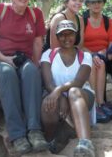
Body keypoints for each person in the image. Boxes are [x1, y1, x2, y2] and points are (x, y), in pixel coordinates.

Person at [0, 0, 48, 155]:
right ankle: (17, 135)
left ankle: (34, 131)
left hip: (22, 59)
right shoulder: (0, 10)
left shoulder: (36, 14)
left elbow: (37, 42)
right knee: (7, 73)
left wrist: (35, 65)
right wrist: (4, 58)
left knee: (32, 71)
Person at [41, 20, 96, 157]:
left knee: (73, 91)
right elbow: (48, 83)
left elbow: (78, 82)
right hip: (54, 94)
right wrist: (59, 97)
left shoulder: (85, 56)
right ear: (57, 37)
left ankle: (85, 144)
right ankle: (51, 139)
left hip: (82, 95)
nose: (66, 38)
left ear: (76, 35)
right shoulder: (48, 54)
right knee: (49, 104)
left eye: (70, 34)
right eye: (62, 35)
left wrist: (59, 91)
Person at [82, 0, 112, 123]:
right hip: (86, 54)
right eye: (93, 2)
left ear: (103, 4)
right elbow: (79, 44)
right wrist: (92, 54)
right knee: (92, 63)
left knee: (100, 63)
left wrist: (103, 53)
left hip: (103, 54)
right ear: (88, 5)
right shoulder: (82, 20)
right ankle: (95, 104)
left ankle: (100, 103)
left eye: (99, 1)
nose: (96, 4)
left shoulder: (108, 21)